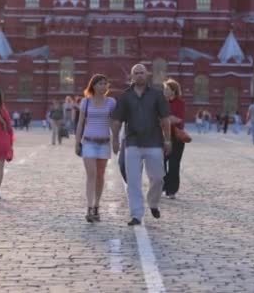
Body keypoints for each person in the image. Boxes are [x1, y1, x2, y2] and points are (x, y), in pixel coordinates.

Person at [112, 64, 171, 226]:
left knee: (158, 177)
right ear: (131, 76)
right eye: (136, 73)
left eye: (142, 73)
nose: (139, 76)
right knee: (133, 181)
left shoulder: (157, 95)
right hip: (132, 143)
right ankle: (136, 215)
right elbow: (117, 120)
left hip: (154, 142)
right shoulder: (125, 97)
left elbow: (165, 119)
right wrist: (115, 140)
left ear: (147, 75)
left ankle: (153, 203)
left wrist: (168, 139)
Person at [75, 74, 116, 223]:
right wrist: (77, 142)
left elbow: (114, 122)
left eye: (105, 84)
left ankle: (97, 205)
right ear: (93, 86)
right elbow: (80, 123)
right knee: (91, 174)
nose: (103, 86)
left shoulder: (111, 102)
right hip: (89, 142)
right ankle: (89, 207)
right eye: (100, 84)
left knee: (100, 175)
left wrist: (116, 139)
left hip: (104, 143)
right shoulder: (85, 102)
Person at [162, 79, 185, 199]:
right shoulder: (161, 102)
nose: (164, 91)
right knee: (160, 163)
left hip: (176, 137)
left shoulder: (180, 103)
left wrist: (166, 118)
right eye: (164, 89)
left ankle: (172, 190)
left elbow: (179, 120)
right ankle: (163, 185)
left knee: (174, 165)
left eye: (167, 89)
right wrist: (169, 118)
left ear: (173, 91)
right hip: (163, 137)